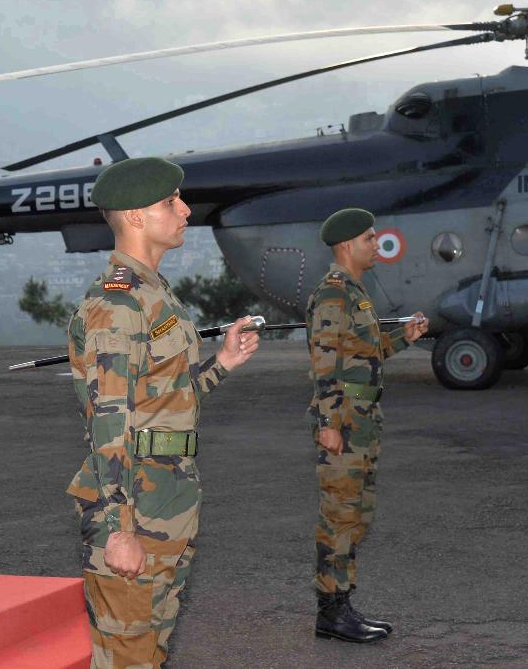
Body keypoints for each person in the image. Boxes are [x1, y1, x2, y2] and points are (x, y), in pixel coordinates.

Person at [67, 157, 260, 667]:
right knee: (127, 656)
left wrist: (222, 363)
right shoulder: (118, 305)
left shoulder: (153, 291)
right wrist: (119, 529)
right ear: (135, 216)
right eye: (170, 202)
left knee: (149, 652)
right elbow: (109, 422)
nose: (185, 210)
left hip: (168, 497)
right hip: (135, 506)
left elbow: (164, 400)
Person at [305, 208, 427, 643]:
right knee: (340, 516)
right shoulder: (333, 294)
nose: (377, 245)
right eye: (369, 239)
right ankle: (331, 612)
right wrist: (328, 425)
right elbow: (325, 366)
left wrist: (403, 339)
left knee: (357, 516)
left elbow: (363, 357)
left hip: (362, 420)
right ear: (346, 245)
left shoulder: (355, 292)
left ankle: (341, 606)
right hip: (344, 422)